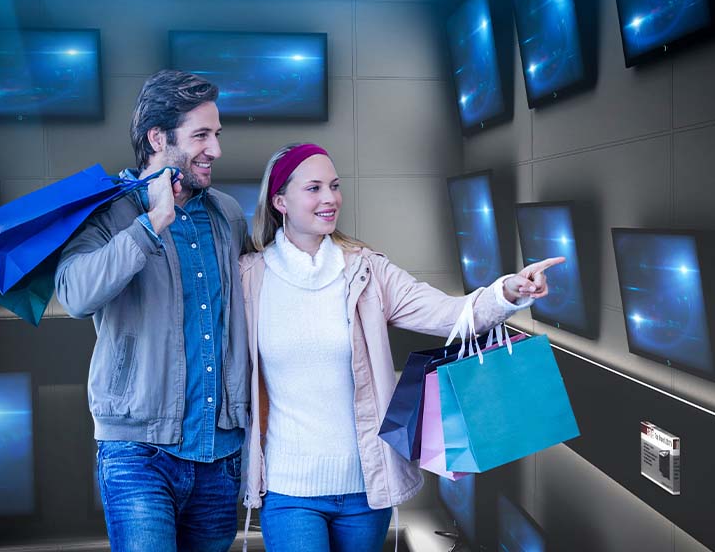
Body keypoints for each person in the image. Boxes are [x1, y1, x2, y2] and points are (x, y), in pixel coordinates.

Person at [239, 142, 563, 552]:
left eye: (335, 186)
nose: (330, 199)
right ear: (279, 201)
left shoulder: (367, 270)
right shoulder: (249, 278)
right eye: (314, 188)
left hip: (366, 489)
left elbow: (451, 315)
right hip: (288, 490)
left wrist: (509, 292)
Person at [55, 69, 250, 551]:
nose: (216, 150)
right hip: (138, 453)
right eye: (201, 135)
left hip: (219, 454)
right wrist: (154, 221)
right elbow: (75, 294)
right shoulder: (107, 212)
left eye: (217, 135)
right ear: (158, 138)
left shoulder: (227, 213)